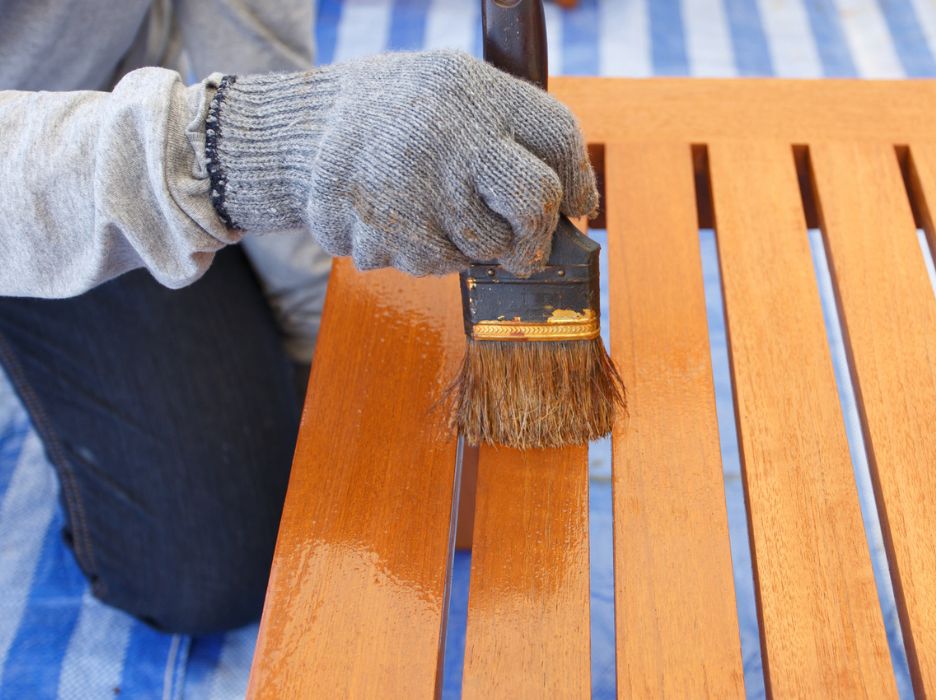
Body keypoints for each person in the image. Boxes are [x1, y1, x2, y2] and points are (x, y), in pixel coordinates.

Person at [0, 0, 597, 634]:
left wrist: (316, 330)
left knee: (245, 534)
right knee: (198, 577)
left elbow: (247, 29)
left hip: (120, 115)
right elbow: (241, 151)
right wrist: (232, 150)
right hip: (43, 172)